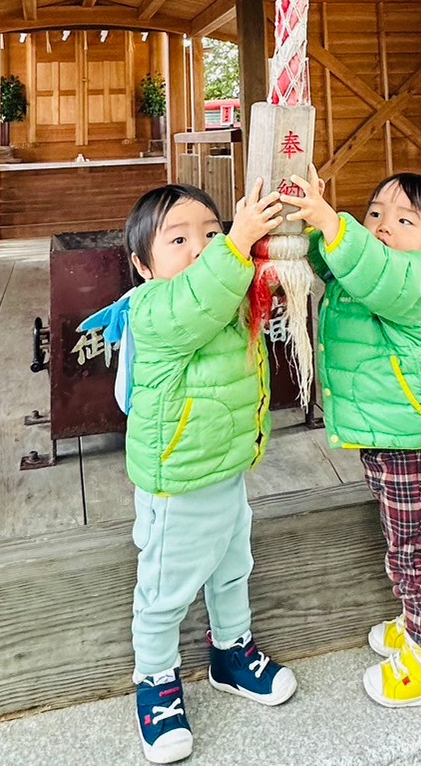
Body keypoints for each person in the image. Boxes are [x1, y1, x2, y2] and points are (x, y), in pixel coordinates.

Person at [78, 181, 297, 764]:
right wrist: (236, 246)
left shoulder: (222, 290)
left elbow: (241, 286)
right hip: (177, 482)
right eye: (178, 240)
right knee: (164, 591)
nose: (200, 247)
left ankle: (231, 652)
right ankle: (155, 680)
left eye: (212, 233)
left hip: (226, 469)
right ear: (142, 266)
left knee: (233, 569)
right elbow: (198, 302)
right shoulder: (154, 309)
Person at [281, 167, 421, 709]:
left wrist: (332, 223)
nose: (383, 225)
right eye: (376, 214)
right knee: (407, 548)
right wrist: (309, 220)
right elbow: (332, 260)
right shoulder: (363, 263)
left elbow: (373, 270)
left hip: (415, 448)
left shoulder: (419, 278)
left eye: (405, 221)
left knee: (415, 560)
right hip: (389, 441)